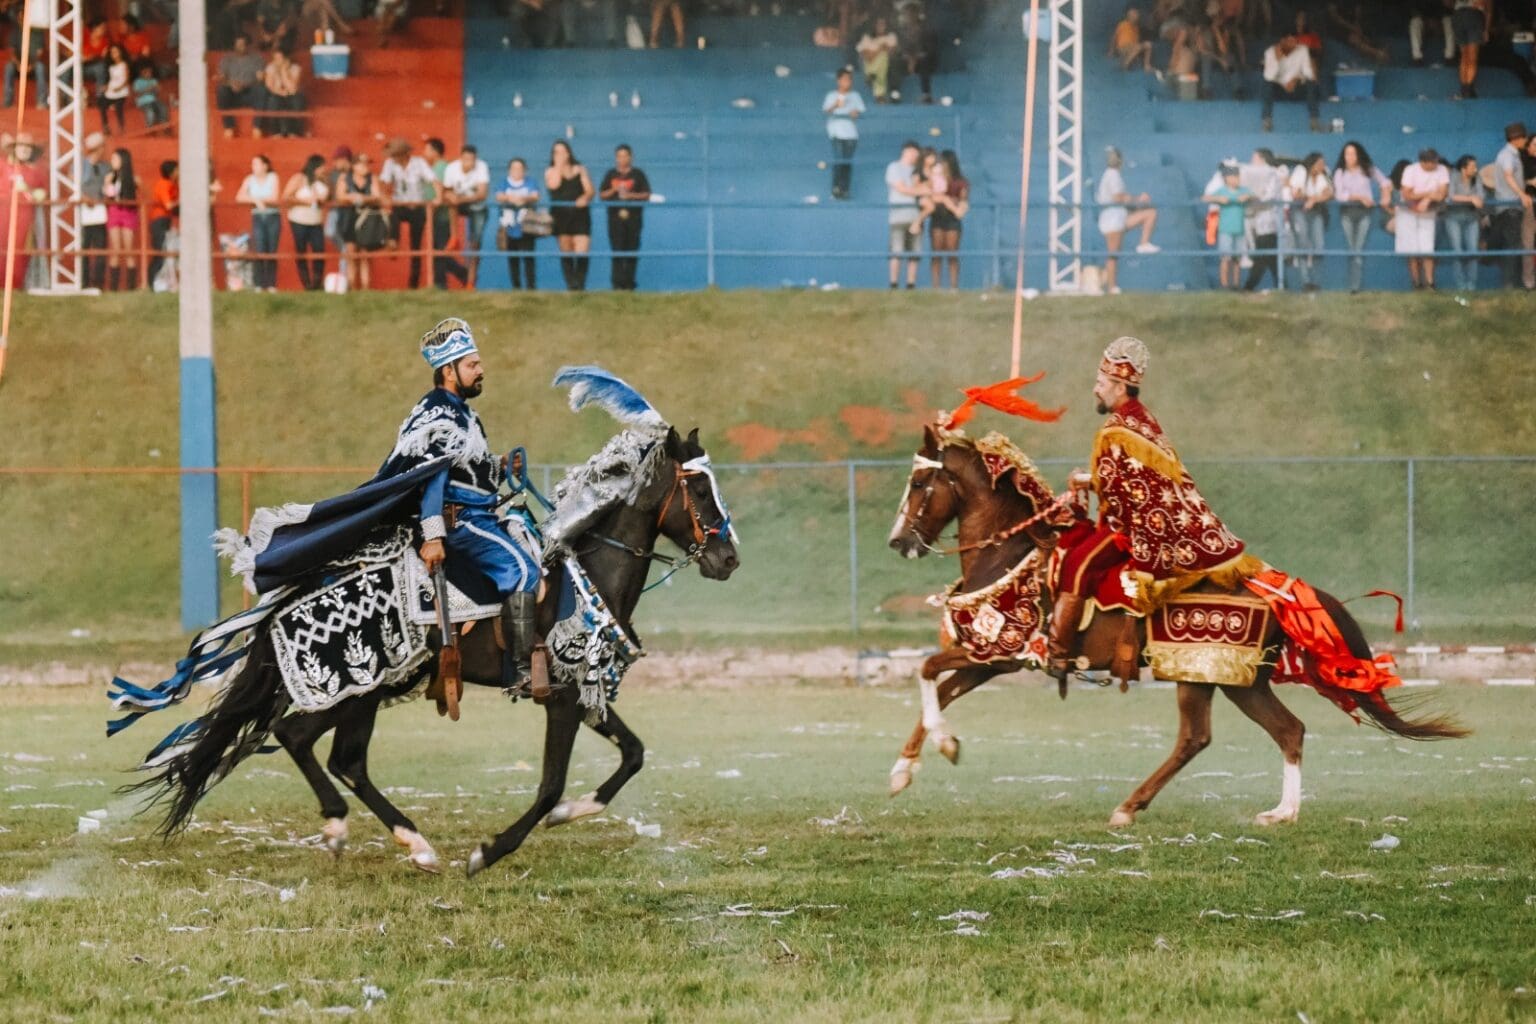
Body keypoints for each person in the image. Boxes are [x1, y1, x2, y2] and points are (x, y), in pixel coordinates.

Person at [1048, 336, 1252, 685]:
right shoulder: (1141, 420)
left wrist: (1083, 480)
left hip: (1128, 531)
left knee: (1076, 566)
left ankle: (1058, 652)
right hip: (1135, 521)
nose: (1095, 390)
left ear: (1119, 386)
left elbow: (1117, 486)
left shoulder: (1118, 429)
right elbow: (1134, 480)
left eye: (1100, 384)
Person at [406, 319, 547, 693]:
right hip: (461, 522)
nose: (481, 370)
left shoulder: (462, 413)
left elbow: (465, 472)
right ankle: (520, 671)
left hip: (479, 513)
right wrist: (432, 535)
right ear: (448, 372)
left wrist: (500, 466)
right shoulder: (440, 414)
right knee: (522, 571)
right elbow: (432, 477)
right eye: (472, 365)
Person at [1096, 145, 1160, 295]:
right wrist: (1138, 199)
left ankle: (1143, 244)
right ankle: (1111, 287)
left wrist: (1136, 204)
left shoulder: (1112, 175)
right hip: (1112, 220)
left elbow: (1121, 200)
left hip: (1119, 217)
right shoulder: (1112, 175)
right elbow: (1118, 198)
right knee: (1113, 254)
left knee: (1150, 213)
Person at [1331, 140, 1390, 293]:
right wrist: (1359, 197)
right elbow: (1339, 195)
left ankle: (1355, 286)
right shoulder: (1340, 172)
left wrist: (1385, 196)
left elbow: (1384, 182)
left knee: (1359, 248)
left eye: (1352, 153)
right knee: (1351, 248)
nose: (1349, 157)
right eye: (1347, 154)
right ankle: (1352, 285)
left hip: (1365, 213)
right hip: (1347, 213)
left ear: (1358, 155)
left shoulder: (1367, 169)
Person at [380, 138, 434, 289]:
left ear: (404, 155)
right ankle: (392, 242)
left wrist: (438, 197)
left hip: (417, 206)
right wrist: (385, 197)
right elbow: (384, 181)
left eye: (396, 155)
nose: (393, 158)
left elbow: (432, 180)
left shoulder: (419, 163)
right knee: (393, 216)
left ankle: (413, 284)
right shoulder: (390, 164)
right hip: (400, 204)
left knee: (415, 246)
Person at [599, 143, 651, 292]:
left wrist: (630, 195)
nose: (622, 159)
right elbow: (602, 194)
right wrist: (613, 189)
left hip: (634, 219)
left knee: (632, 250)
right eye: (619, 156)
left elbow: (646, 194)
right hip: (615, 220)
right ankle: (616, 284)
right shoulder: (610, 175)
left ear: (631, 157)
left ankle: (629, 284)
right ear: (616, 158)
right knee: (617, 250)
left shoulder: (638, 174)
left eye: (625, 156)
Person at [1396, 148, 1449, 290]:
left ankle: (1430, 283)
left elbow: (1442, 194)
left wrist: (1425, 199)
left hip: (1428, 212)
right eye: (1433, 162)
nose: (1436, 164)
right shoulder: (1410, 170)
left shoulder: (1442, 169)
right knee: (1411, 250)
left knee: (1427, 249)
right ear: (1424, 162)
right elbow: (1406, 194)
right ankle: (1416, 283)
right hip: (1407, 212)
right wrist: (1428, 194)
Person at [545, 139, 594, 292]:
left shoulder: (580, 169)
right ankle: (571, 285)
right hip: (561, 215)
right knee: (566, 249)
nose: (559, 155)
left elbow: (590, 191)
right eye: (556, 152)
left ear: (569, 152)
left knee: (582, 248)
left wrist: (585, 198)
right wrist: (559, 166)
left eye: (562, 151)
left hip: (580, 215)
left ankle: (580, 284)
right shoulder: (550, 171)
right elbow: (554, 185)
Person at [443, 143, 492, 289]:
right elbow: (446, 190)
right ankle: (454, 237)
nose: (468, 163)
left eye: (471, 160)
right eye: (465, 159)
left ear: (475, 160)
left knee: (475, 244)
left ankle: (470, 282)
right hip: (460, 203)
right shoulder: (452, 168)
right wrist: (452, 197)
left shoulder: (482, 167)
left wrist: (460, 199)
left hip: (476, 206)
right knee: (451, 204)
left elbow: (482, 194)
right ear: (461, 158)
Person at [1490, 121, 1530, 288]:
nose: (1525, 140)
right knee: (1513, 246)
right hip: (1509, 206)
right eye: (1523, 137)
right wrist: (1522, 194)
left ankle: (1510, 284)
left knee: (1511, 245)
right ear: (1516, 139)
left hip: (1509, 207)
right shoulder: (1507, 155)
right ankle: (1510, 285)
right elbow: (1508, 175)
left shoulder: (1510, 154)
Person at [338, 150, 385, 290]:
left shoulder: (373, 178)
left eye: (367, 164)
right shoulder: (345, 178)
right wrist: (354, 197)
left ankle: (365, 287)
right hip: (349, 218)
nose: (366, 167)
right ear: (354, 166)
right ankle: (352, 286)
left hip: (367, 219)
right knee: (351, 254)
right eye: (362, 164)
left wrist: (360, 198)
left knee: (365, 255)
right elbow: (340, 196)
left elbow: (377, 196)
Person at [282, 153, 329, 291]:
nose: (324, 170)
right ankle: (306, 284)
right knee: (301, 251)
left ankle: (316, 282)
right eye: (321, 167)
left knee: (319, 250)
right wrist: (305, 201)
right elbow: (286, 197)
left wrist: (321, 199)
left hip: (316, 221)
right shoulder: (299, 178)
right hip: (299, 220)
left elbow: (327, 197)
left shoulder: (324, 181)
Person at [1288, 151, 1333, 292]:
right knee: (1302, 243)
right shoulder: (1301, 171)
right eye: (1319, 164)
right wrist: (1312, 197)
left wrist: (1313, 200)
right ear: (1312, 163)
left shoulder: (1321, 176)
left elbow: (1329, 193)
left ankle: (1316, 281)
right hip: (1299, 211)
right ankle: (1306, 281)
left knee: (1319, 245)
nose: (1322, 166)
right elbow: (1296, 194)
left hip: (1316, 213)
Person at [237, 153, 282, 292]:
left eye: (256, 164)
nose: (254, 167)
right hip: (258, 216)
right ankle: (259, 284)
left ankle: (271, 284)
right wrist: (256, 201)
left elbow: (274, 197)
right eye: (253, 164)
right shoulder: (249, 179)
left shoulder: (273, 177)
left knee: (271, 250)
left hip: (272, 216)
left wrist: (256, 199)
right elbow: (239, 196)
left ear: (265, 166)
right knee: (259, 248)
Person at [1202, 162, 1251, 289]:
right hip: (1225, 229)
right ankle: (1224, 285)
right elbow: (1205, 198)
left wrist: (1248, 196)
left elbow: (1256, 196)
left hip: (1239, 230)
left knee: (1237, 259)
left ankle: (1236, 284)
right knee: (1225, 257)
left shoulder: (1243, 190)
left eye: (1237, 176)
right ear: (1226, 178)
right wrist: (1218, 199)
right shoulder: (1221, 190)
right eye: (1233, 176)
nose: (1236, 179)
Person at [1242, 148, 1284, 291]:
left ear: (1262, 159)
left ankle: (1248, 287)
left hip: (1270, 222)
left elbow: (1270, 196)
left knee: (1262, 258)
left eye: (1254, 159)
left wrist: (1255, 198)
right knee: (1270, 259)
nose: (1251, 162)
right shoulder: (1257, 177)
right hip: (1260, 222)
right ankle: (1282, 286)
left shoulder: (1273, 174)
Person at [1260, 34, 1319, 133]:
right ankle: (1267, 121)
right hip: (1280, 90)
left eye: (1295, 41)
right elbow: (1268, 76)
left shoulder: (1302, 50)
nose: (1294, 45)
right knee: (1267, 84)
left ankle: (1314, 121)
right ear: (1282, 41)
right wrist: (1277, 60)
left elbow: (1308, 73)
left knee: (1310, 83)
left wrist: (1296, 79)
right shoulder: (1270, 52)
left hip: (1296, 87)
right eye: (1290, 42)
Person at [927, 149, 969, 290]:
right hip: (937, 219)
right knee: (936, 254)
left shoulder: (961, 182)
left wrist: (960, 207)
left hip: (952, 221)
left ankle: (953, 286)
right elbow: (933, 195)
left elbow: (963, 199)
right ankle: (936, 287)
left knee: (952, 254)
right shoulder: (935, 179)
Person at [496, 157, 540, 290]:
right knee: (513, 258)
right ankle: (516, 287)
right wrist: (511, 198)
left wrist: (523, 199)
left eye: (520, 168)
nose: (517, 171)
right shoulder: (504, 182)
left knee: (528, 258)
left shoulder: (530, 182)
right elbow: (499, 196)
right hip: (509, 227)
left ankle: (531, 287)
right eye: (514, 168)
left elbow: (535, 196)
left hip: (526, 226)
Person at [101, 147, 140, 291]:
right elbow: (106, 194)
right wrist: (107, 183)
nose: (113, 162)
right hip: (114, 212)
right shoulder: (110, 177)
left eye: (115, 159)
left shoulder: (134, 179)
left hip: (128, 212)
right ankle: (113, 288)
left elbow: (143, 196)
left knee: (128, 250)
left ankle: (131, 287)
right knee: (115, 249)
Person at [885, 141, 923, 289]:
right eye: (914, 152)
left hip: (916, 216)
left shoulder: (917, 170)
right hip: (898, 215)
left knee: (915, 251)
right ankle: (894, 283)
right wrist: (920, 191)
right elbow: (901, 188)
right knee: (896, 250)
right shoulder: (894, 167)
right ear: (906, 151)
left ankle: (910, 283)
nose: (915, 156)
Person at [823, 68, 865, 200]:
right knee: (838, 160)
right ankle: (835, 189)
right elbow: (827, 111)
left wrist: (854, 113)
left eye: (849, 79)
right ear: (838, 80)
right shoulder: (831, 95)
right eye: (845, 79)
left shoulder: (855, 96)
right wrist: (836, 105)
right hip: (836, 132)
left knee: (847, 162)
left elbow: (859, 112)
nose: (847, 82)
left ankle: (845, 189)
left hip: (851, 134)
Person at [1443, 155, 1482, 292]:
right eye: (1472, 167)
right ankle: (1460, 285)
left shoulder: (1477, 178)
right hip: (1453, 218)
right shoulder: (1453, 177)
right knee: (1457, 251)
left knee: (1473, 251)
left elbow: (1481, 198)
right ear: (1463, 168)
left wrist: (1472, 199)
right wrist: (1470, 198)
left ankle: (1471, 285)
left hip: (1471, 218)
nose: (1475, 169)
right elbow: (1451, 196)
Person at [215, 35, 266, 139]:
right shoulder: (227, 59)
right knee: (221, 90)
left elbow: (260, 79)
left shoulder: (256, 58)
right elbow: (222, 78)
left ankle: (257, 127)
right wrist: (231, 84)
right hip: (232, 93)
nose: (241, 47)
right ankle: (228, 127)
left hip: (249, 91)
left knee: (261, 90)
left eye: (243, 44)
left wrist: (244, 85)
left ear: (247, 45)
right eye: (238, 44)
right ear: (234, 45)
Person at [79, 131, 110, 290]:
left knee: (100, 249)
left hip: (100, 212)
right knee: (82, 248)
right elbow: (71, 182)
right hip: (83, 212)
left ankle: (98, 282)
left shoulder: (105, 167)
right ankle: (83, 281)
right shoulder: (80, 165)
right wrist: (84, 197)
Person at [893, 6, 939, 105]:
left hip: (921, 60)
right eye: (907, 14)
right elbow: (898, 48)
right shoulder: (900, 31)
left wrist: (915, 58)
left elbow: (930, 48)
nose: (909, 17)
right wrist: (907, 57)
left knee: (925, 63)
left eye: (911, 14)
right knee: (894, 62)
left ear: (917, 15)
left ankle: (926, 94)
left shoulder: (925, 29)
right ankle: (895, 93)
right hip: (906, 61)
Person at [148, 159, 179, 290]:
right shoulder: (164, 184)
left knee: (165, 251)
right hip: (159, 221)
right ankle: (151, 282)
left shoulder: (173, 184)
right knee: (160, 252)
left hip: (166, 220)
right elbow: (168, 204)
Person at [261, 47, 305, 139]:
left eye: (280, 58)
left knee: (297, 100)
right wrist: (280, 92)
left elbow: (293, 88)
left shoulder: (296, 68)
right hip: (276, 93)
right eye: (275, 59)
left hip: (291, 94)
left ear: (286, 59)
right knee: (274, 101)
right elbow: (269, 86)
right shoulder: (270, 67)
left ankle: (294, 132)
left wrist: (284, 72)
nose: (277, 61)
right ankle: (276, 132)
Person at [323, 145, 352, 284]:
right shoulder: (332, 174)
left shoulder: (352, 173)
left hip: (349, 212)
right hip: (335, 210)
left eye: (338, 160)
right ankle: (343, 248)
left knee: (346, 243)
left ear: (345, 160)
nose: (335, 163)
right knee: (330, 232)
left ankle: (344, 277)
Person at [1451, 0, 1488, 98]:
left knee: (1464, 55)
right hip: (1474, 15)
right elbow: (1485, 5)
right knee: (1472, 56)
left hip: (1458, 15)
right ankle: (1469, 88)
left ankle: (1464, 88)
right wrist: (1486, 29)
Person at [856, 16, 898, 102]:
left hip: (886, 63)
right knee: (880, 60)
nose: (881, 27)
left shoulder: (891, 36)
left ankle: (871, 75)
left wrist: (875, 52)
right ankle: (879, 95)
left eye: (883, 24)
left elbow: (892, 52)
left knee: (883, 58)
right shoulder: (867, 37)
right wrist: (880, 49)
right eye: (878, 24)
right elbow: (864, 54)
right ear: (874, 26)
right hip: (868, 62)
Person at [1108, 6, 1156, 73]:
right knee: (1138, 47)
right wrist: (1111, 51)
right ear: (1128, 17)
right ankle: (1125, 64)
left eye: (1136, 15)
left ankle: (1146, 66)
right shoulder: (1122, 24)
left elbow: (1137, 41)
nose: (1135, 17)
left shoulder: (1136, 28)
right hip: (1123, 48)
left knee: (1148, 44)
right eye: (1132, 15)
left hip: (1133, 47)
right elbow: (1114, 37)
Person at [98, 44, 131, 135]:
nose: (114, 54)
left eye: (116, 52)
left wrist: (120, 87)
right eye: (112, 52)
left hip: (121, 91)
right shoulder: (111, 67)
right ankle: (106, 127)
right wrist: (106, 87)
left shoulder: (124, 64)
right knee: (102, 104)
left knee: (118, 107)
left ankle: (121, 127)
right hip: (112, 90)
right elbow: (111, 79)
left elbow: (127, 79)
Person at [1409, 0, 1455, 66]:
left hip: (1439, 23)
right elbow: (1414, 9)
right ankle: (1417, 58)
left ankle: (1449, 57)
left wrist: (1436, 20)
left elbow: (1448, 10)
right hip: (1424, 23)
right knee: (1415, 22)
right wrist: (1427, 20)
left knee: (1449, 21)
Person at [132, 60, 167, 129]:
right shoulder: (137, 82)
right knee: (150, 111)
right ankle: (150, 128)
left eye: (150, 72)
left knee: (163, 107)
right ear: (141, 73)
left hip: (154, 100)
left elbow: (157, 93)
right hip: (143, 102)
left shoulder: (153, 80)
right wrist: (147, 90)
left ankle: (164, 126)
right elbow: (136, 95)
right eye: (146, 72)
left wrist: (156, 89)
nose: (148, 74)